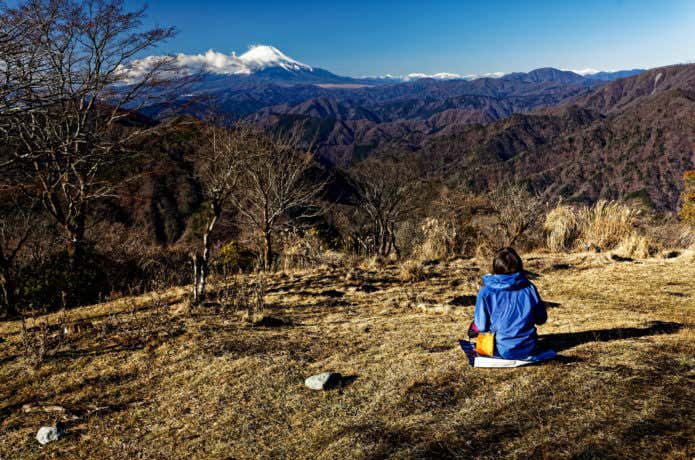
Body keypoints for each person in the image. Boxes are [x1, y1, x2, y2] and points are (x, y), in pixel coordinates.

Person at [468, 247, 547, 359]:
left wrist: (473, 327)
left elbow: (481, 327)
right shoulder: (530, 288)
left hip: (501, 350)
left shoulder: (485, 292)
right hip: (530, 348)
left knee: (476, 326)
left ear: (495, 268)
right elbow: (541, 318)